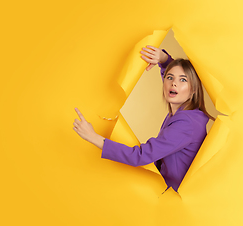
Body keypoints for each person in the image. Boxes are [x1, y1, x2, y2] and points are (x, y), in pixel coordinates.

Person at [73, 46, 215, 192]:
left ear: (193, 90)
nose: (174, 83)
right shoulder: (189, 113)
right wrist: (164, 59)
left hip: (176, 199)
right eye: (170, 78)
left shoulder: (186, 123)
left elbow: (140, 156)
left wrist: (93, 137)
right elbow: (173, 80)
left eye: (183, 80)